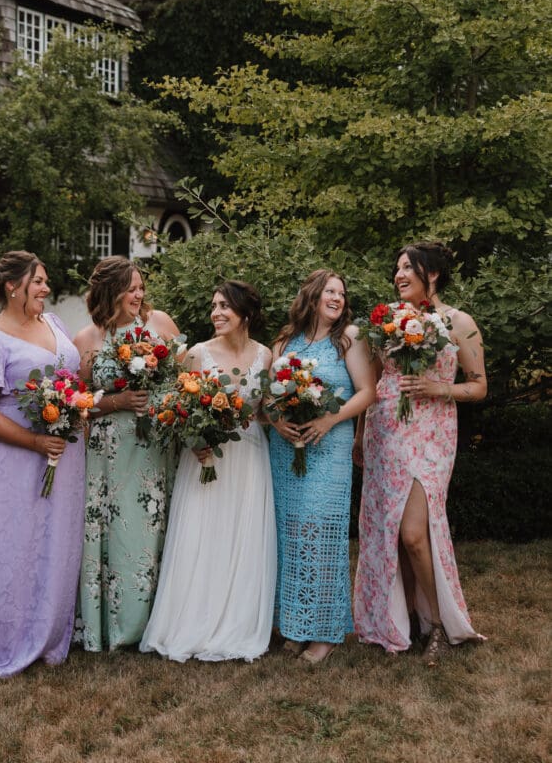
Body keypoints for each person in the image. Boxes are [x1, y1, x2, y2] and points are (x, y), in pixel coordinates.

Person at [353, 241, 487, 665]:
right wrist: (360, 434)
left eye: (407, 267)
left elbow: (479, 385)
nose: (398, 275)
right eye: (396, 268)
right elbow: (371, 384)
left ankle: (442, 627)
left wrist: (438, 388)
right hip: (386, 433)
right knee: (390, 531)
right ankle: (405, 618)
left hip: (432, 435)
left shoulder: (458, 322)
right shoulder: (387, 321)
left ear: (431, 273)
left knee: (414, 532)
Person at [0, 250, 85, 677]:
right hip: (16, 457)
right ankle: (4, 640)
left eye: (46, 281)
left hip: (63, 454)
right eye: (39, 281)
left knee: (55, 542)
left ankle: (46, 634)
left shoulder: (54, 323)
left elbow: (72, 381)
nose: (46, 289)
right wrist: (33, 440)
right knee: (14, 543)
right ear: (13, 287)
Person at [140, 280, 276, 662]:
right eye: (214, 306)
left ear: (245, 313)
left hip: (249, 458)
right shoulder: (197, 354)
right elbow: (170, 406)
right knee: (203, 537)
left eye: (224, 307)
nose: (216, 313)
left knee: (241, 538)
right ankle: (193, 621)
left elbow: (263, 410)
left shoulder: (265, 356)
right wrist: (192, 438)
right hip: (206, 458)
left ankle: (238, 621)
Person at [72, 255, 180, 652]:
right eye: (131, 288)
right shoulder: (86, 340)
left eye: (140, 288)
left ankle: (155, 621)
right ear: (111, 292)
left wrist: (160, 402)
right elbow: (77, 401)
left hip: (153, 446)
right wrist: (116, 401)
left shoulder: (161, 324)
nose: (139, 295)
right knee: (116, 533)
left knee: (153, 526)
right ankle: (114, 623)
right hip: (108, 454)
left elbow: (184, 380)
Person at [269, 269, 376, 664]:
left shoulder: (349, 338)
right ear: (312, 296)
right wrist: (277, 420)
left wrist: (331, 420)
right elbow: (267, 394)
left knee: (322, 534)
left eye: (342, 293)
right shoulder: (285, 340)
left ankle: (326, 631)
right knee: (292, 534)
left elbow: (368, 392)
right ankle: (296, 624)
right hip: (286, 449)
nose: (337, 298)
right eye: (330, 291)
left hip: (329, 446)